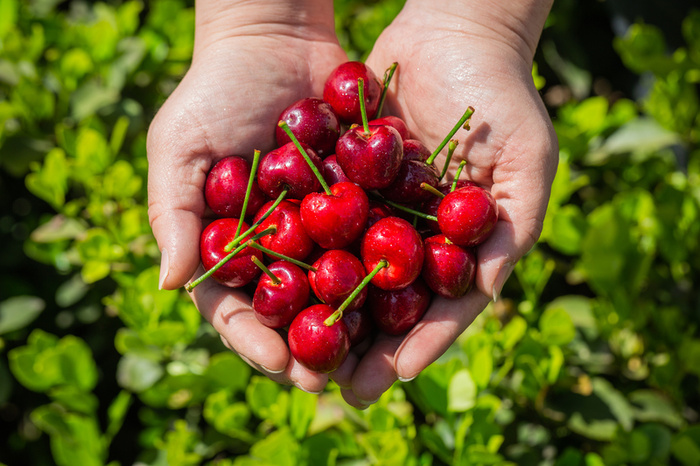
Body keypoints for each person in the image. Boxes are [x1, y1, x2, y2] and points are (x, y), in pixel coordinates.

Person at [147, 0, 558, 409]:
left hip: (373, 233)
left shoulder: (372, 196)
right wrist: (256, 24)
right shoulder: (301, 216)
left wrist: (481, 27)